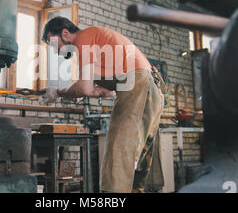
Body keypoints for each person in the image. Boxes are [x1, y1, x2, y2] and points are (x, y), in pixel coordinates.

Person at [41, 16, 164, 193]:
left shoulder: (85, 38)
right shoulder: (95, 41)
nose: (55, 51)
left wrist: (58, 92)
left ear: (65, 34)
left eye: (54, 44)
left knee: (119, 148)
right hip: (150, 88)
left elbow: (84, 87)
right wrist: (80, 91)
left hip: (138, 83)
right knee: (139, 155)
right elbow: (104, 91)